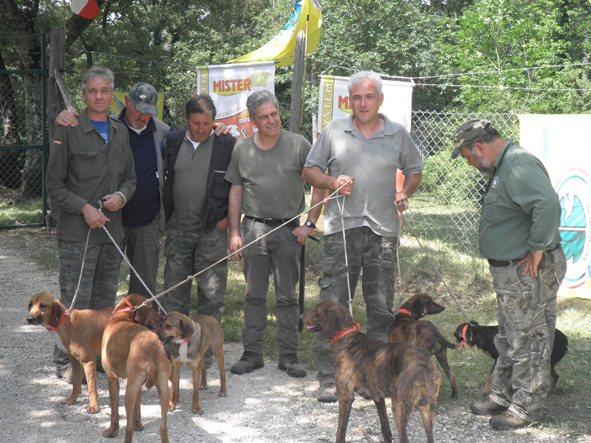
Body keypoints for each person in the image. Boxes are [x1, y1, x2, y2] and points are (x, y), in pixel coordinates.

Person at [302, 71, 423, 402]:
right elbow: (309, 171)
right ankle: (329, 376)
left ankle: (377, 374)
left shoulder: (398, 134)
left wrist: (405, 193)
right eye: (356, 97)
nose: (363, 103)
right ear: (349, 100)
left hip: (383, 231)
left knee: (381, 306)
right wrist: (331, 183)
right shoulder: (333, 131)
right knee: (333, 304)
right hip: (342, 230)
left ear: (380, 100)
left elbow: (415, 170)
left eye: (369, 97)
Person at [450, 119, 566, 430]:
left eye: (467, 157)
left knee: (529, 339)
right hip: (511, 273)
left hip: (526, 269)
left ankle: (526, 407)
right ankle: (502, 395)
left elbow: (546, 204)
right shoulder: (503, 167)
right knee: (509, 336)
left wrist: (539, 247)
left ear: (478, 147)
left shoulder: (516, 164)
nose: (470, 163)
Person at [47, 67, 136, 380]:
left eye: (105, 91)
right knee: (75, 303)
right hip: (77, 234)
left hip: (111, 231)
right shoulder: (69, 129)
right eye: (93, 91)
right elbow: (54, 185)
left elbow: (130, 178)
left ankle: (98, 358)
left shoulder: (120, 130)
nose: (99, 97)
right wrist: (84, 207)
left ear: (112, 95)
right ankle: (66, 362)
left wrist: (122, 197)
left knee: (102, 305)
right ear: (83, 95)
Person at [226, 90, 318, 378]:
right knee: (254, 295)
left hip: (290, 229)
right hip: (253, 228)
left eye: (274, 114)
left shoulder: (298, 145)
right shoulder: (242, 149)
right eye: (264, 117)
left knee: (288, 297)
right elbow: (236, 190)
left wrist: (310, 223)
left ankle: (289, 357)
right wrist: (234, 233)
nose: (271, 120)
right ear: (253, 120)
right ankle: (251, 354)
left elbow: (319, 183)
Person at [56, 82, 169, 299]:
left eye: (149, 112)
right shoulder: (108, 125)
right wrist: (61, 117)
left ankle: (139, 332)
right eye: (139, 109)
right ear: (127, 102)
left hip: (147, 220)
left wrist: (217, 128)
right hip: (109, 220)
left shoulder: (163, 132)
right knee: (101, 285)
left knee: (144, 288)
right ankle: (96, 329)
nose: (143, 117)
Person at [161, 94, 235, 325]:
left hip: (211, 230)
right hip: (178, 230)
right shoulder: (171, 142)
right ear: (186, 119)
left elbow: (240, 186)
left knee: (211, 295)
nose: (201, 129)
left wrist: (226, 222)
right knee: (174, 292)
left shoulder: (227, 145)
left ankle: (206, 350)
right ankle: (174, 345)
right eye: (196, 123)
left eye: (207, 123)